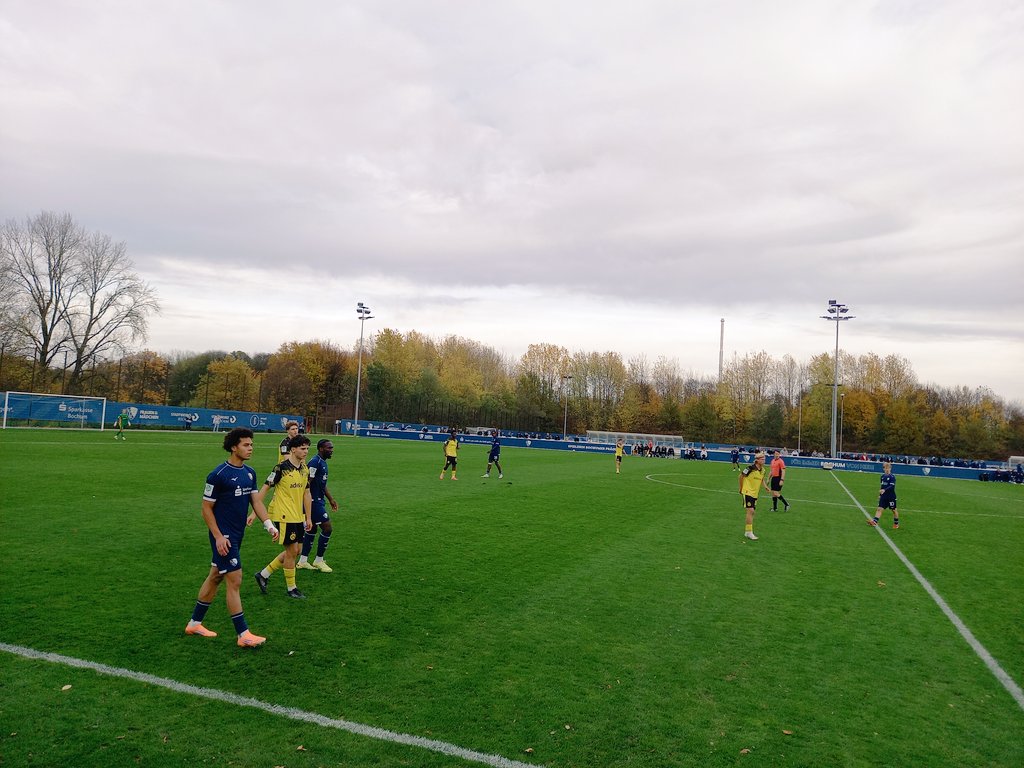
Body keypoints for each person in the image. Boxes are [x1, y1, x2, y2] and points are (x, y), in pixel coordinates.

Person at [185, 427, 279, 647]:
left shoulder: (250, 473)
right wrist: (218, 536)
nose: (250, 449)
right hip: (224, 537)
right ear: (234, 446)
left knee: (216, 576)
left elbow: (255, 502)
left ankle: (194, 623)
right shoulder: (218, 475)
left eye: (252, 445)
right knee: (235, 579)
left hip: (237, 534)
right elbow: (206, 509)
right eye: (246, 445)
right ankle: (243, 634)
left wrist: (269, 525)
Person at [251, 435, 313, 599]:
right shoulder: (280, 469)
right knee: (292, 551)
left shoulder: (304, 469)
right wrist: (254, 512)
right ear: (293, 449)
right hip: (284, 515)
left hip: (298, 516)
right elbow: (264, 488)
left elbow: (307, 494)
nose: (306, 452)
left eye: (307, 448)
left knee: (297, 551)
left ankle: (263, 574)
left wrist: (308, 517)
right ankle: (291, 588)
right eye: (302, 448)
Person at [297, 439, 338, 573]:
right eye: (328, 448)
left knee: (312, 529)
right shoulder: (315, 462)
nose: (331, 450)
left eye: (332, 448)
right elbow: (307, 481)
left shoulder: (322, 462)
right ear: (320, 448)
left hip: (318, 500)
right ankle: (319, 560)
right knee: (327, 528)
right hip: (313, 502)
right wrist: (303, 500)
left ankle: (303, 561)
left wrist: (331, 499)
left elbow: (322, 484)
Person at [739, 451, 771, 540]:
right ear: (757, 460)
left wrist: (765, 487)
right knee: (751, 511)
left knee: (752, 512)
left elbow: (761, 479)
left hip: (755, 494)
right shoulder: (750, 468)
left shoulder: (763, 470)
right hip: (747, 491)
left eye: (764, 459)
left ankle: (747, 531)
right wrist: (741, 488)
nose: (764, 460)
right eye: (762, 459)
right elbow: (740, 476)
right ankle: (749, 532)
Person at [867, 462, 899, 529]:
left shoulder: (892, 477)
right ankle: (874, 522)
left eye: (888, 468)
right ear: (883, 469)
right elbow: (882, 486)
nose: (887, 469)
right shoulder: (882, 477)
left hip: (891, 496)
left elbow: (892, 486)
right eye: (885, 468)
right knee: (879, 509)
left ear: (890, 468)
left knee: (894, 510)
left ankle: (896, 524)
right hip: (884, 496)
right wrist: (880, 494)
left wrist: (884, 490)